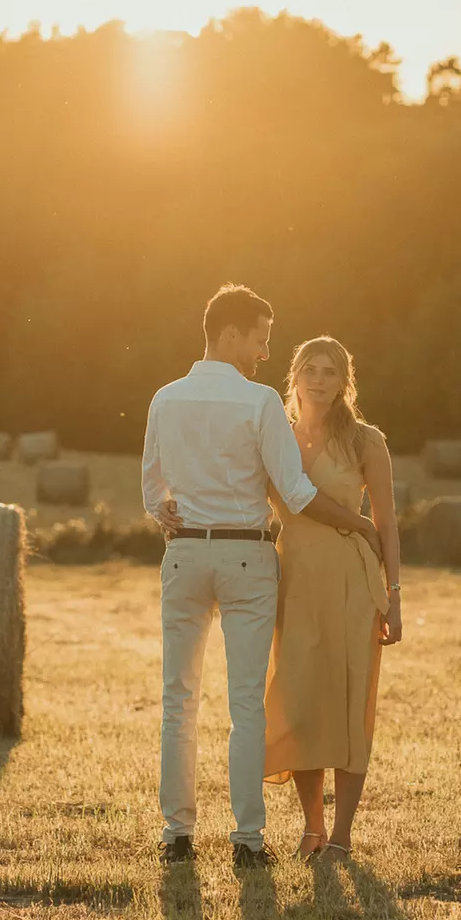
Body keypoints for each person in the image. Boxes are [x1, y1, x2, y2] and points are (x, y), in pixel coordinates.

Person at [141, 285, 379, 869]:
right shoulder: (260, 402)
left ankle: (177, 834)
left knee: (178, 697)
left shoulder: (164, 399)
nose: (263, 354)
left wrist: (167, 512)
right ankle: (248, 839)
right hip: (247, 557)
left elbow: (152, 490)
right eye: (259, 340)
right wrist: (359, 524)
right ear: (230, 335)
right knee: (246, 702)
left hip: (185, 554)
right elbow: (296, 492)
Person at [263, 337, 402, 861]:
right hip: (293, 580)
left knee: (348, 705)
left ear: (345, 382)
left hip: (351, 582)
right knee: (299, 702)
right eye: (309, 370)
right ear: (294, 377)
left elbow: (386, 523)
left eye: (330, 372)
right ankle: (312, 825)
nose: (318, 380)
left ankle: (342, 834)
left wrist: (395, 596)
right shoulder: (275, 434)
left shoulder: (366, 440)